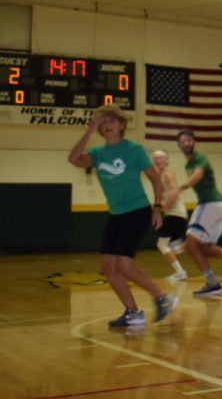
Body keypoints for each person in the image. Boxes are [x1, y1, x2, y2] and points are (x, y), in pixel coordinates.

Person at [67, 105, 175, 327]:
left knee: (124, 266)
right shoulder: (98, 153)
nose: (106, 125)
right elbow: (74, 158)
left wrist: (157, 208)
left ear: (121, 125)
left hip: (137, 211)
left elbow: (155, 179)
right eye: (102, 122)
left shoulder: (133, 149)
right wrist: (89, 130)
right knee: (107, 264)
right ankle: (133, 312)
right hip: (116, 214)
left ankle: (163, 298)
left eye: (111, 121)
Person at [174, 130, 222, 297]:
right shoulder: (188, 164)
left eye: (189, 140)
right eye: (183, 141)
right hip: (219, 207)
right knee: (204, 248)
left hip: (210, 204)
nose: (186, 143)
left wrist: (180, 189)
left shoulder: (199, 158)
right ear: (179, 145)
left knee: (191, 245)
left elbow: (198, 175)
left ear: (194, 142)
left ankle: (213, 283)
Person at [152, 150, 188, 282]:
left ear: (166, 160)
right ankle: (196, 243)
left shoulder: (167, 174)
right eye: (155, 158)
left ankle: (180, 272)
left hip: (175, 214)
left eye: (161, 158)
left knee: (162, 245)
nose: (158, 160)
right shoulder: (159, 176)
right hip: (175, 214)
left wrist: (163, 207)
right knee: (174, 249)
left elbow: (174, 192)